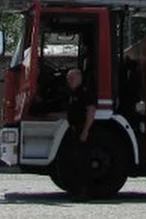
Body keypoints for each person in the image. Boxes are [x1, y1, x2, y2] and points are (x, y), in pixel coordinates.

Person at [65, 67, 96, 199]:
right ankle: (77, 190)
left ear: (79, 78)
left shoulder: (84, 92)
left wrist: (85, 131)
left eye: (72, 78)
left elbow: (91, 111)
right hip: (75, 130)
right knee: (75, 161)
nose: (69, 81)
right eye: (68, 78)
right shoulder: (73, 93)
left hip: (82, 130)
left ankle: (84, 192)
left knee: (83, 162)